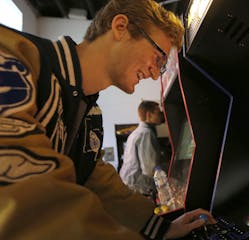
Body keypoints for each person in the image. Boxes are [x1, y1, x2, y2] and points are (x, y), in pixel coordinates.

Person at [0, 0, 216, 239]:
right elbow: (26, 199)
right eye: (158, 57)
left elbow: (100, 183)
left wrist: (163, 228)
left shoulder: (89, 114)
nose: (155, 74)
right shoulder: (15, 56)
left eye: (162, 66)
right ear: (121, 27)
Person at [120, 100, 164, 199]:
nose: (162, 115)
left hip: (128, 183)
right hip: (138, 187)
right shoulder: (146, 133)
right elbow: (150, 170)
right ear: (149, 115)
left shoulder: (136, 132)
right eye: (158, 112)